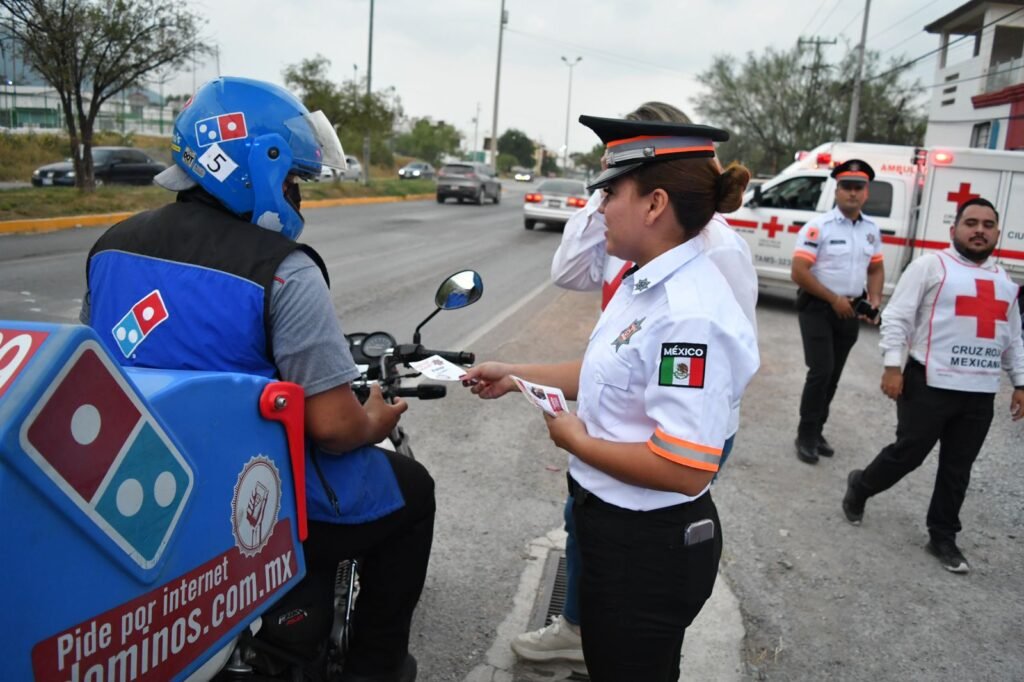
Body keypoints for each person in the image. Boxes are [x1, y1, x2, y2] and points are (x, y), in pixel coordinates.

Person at [80, 77, 430, 682]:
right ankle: (376, 668)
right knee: (414, 492)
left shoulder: (110, 247)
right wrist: (375, 416)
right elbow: (332, 428)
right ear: (259, 166)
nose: (298, 197)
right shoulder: (283, 271)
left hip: (134, 484)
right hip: (247, 499)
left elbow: (91, 366)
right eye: (294, 180)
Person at [464, 115, 760, 681]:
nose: (599, 208)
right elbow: (607, 372)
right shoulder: (645, 280)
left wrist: (576, 438)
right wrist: (516, 375)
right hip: (614, 531)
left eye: (610, 193)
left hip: (645, 550)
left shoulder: (688, 315)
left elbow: (684, 466)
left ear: (654, 205)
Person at [842, 197, 1024, 574]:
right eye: (970, 222)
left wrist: (1020, 382)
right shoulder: (930, 266)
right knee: (909, 453)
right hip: (929, 382)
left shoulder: (1004, 281)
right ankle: (861, 485)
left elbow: (1013, 337)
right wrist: (893, 366)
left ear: (997, 233)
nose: (979, 230)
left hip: (979, 391)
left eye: (987, 225)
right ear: (954, 229)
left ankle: (942, 535)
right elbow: (897, 317)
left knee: (958, 467)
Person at [790, 159, 884, 464]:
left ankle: (818, 431)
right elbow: (799, 271)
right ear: (837, 190)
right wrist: (832, 298)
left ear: (866, 192)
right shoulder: (819, 227)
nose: (853, 194)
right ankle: (804, 435)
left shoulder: (871, 230)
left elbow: (876, 267)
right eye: (847, 187)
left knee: (834, 376)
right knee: (821, 371)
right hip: (818, 307)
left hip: (850, 310)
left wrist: (875, 298)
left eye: (859, 188)